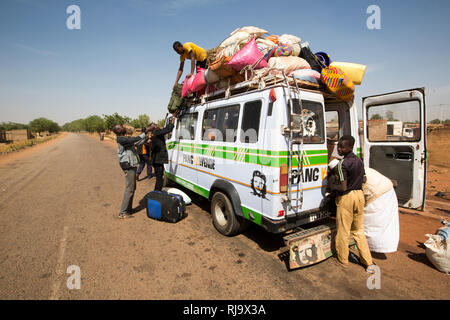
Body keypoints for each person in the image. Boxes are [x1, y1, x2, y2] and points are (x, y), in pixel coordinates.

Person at [329, 136, 376, 273]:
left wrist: (332, 186)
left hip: (347, 198)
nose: (339, 149)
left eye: (342, 147)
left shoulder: (343, 164)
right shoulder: (359, 161)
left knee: (343, 231)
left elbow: (343, 187)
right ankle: (368, 262)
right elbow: (364, 178)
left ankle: (343, 259)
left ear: (350, 147)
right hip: (359, 196)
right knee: (358, 230)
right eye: (338, 146)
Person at [113, 124, 150, 219]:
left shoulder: (125, 139)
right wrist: (144, 133)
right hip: (128, 164)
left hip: (131, 164)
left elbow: (137, 142)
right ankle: (123, 212)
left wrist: (145, 136)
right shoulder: (121, 139)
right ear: (118, 131)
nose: (124, 127)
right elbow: (134, 140)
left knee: (132, 188)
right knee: (129, 188)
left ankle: (128, 209)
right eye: (121, 127)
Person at [362, 167, 400, 253]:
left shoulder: (348, 171)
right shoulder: (356, 165)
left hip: (378, 194)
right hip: (386, 189)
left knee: (372, 223)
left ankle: (373, 246)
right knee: (384, 221)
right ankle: (381, 246)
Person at [148, 118, 175, 191]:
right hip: (158, 160)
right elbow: (167, 130)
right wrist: (172, 121)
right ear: (153, 128)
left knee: (159, 178)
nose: (157, 126)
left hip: (157, 159)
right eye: (155, 125)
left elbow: (165, 129)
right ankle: (157, 193)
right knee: (159, 178)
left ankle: (157, 192)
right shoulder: (156, 133)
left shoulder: (155, 133)